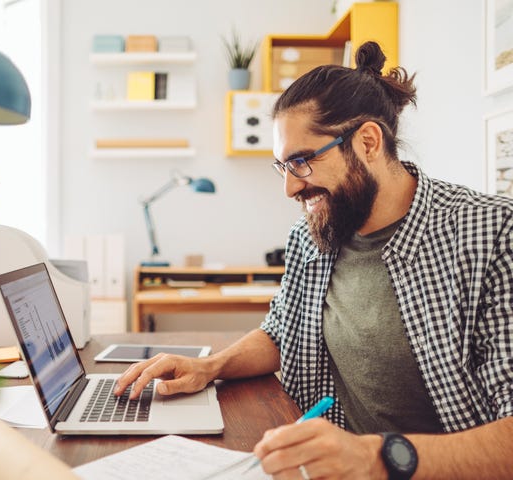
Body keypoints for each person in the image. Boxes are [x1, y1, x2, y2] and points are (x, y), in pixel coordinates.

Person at [115, 41, 513, 479]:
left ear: (367, 142)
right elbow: (281, 334)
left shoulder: (492, 236)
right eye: (282, 166)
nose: (289, 188)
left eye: (301, 162)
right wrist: (210, 366)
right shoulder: (314, 237)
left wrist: (374, 458)